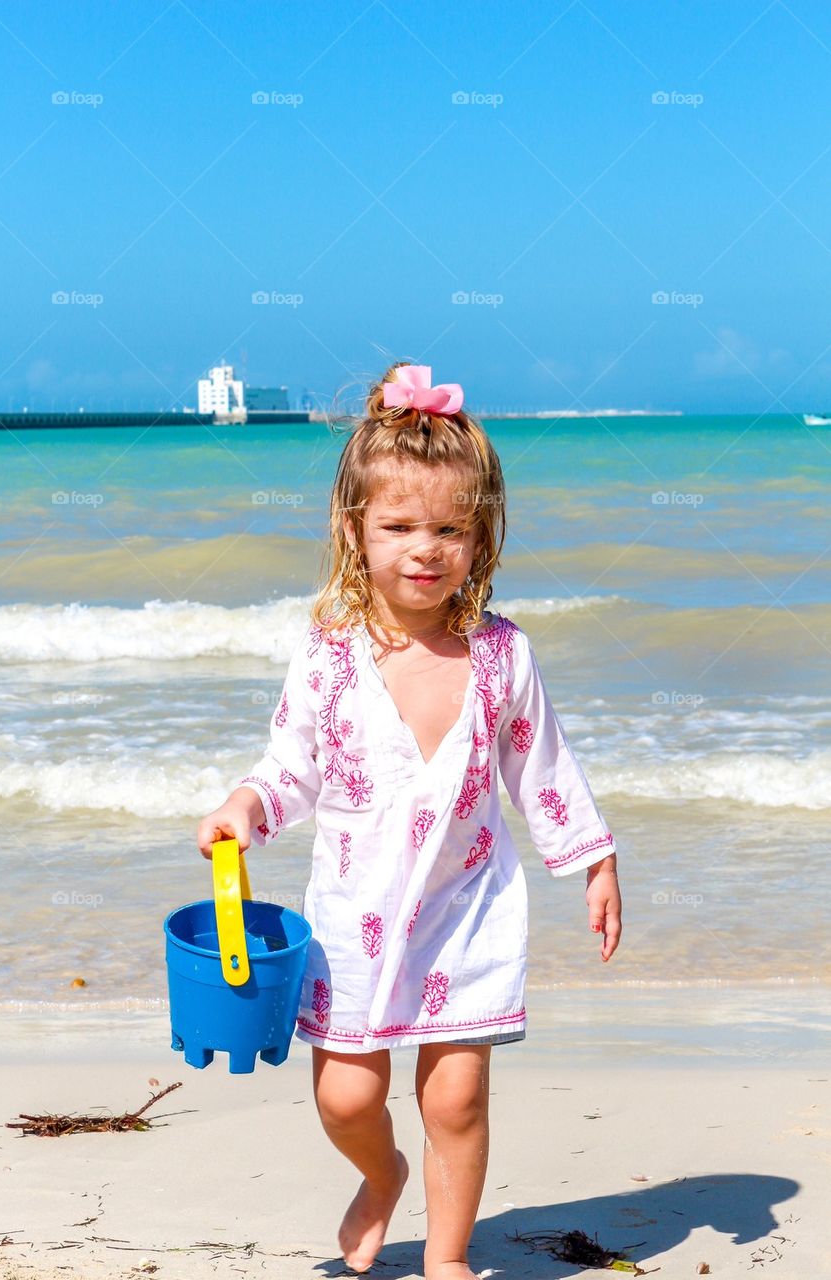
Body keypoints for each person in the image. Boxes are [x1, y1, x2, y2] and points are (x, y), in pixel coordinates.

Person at [197, 361, 623, 1280]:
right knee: (348, 1097)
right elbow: (292, 767)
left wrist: (592, 862)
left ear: (482, 536)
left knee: (457, 1097)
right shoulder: (327, 656)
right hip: (352, 918)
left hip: (465, 911)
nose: (422, 549)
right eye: (397, 527)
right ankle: (381, 1172)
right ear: (355, 531)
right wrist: (245, 805)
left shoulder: (502, 656)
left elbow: (541, 768)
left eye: (448, 529)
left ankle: (448, 1256)